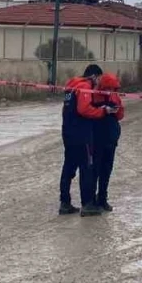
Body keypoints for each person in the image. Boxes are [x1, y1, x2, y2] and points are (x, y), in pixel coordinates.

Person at [59, 64, 103, 216]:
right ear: (94, 76)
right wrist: (101, 111)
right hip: (82, 134)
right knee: (86, 168)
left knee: (68, 167)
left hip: (68, 132)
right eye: (99, 79)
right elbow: (84, 110)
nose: (99, 82)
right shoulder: (84, 87)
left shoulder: (71, 88)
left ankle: (64, 202)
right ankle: (87, 204)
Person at [92, 72, 125, 212]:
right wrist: (103, 110)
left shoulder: (115, 97)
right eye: (108, 88)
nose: (110, 91)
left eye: (113, 89)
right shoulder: (93, 95)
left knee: (106, 171)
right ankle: (91, 199)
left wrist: (115, 111)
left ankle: (102, 198)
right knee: (94, 170)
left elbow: (121, 114)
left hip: (110, 140)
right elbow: (88, 112)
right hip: (97, 139)